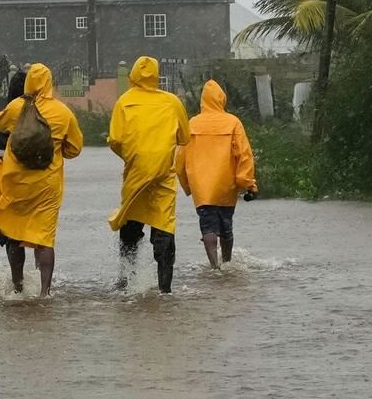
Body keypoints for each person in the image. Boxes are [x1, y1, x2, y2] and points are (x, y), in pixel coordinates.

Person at [0, 63, 84, 297]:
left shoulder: (17, 107)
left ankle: (17, 287)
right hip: (47, 186)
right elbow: (75, 149)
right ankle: (45, 292)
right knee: (44, 238)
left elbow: (0, 125)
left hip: (16, 183)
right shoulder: (63, 112)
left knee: (14, 233)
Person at [107, 57, 192, 294]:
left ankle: (126, 281)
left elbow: (115, 140)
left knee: (131, 223)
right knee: (164, 224)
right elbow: (185, 138)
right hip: (164, 174)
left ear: (133, 75)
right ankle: (165, 287)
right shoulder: (172, 102)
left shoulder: (124, 102)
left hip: (136, 171)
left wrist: (132, 155)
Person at [176, 79, 258, 269]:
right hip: (226, 186)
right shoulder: (233, 122)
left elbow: (179, 160)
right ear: (222, 99)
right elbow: (244, 155)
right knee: (226, 225)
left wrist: (189, 187)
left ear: (202, 101)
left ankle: (214, 266)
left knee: (207, 226)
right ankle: (227, 262)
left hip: (202, 188)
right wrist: (248, 183)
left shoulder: (193, 123)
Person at [0, 69, 26, 245]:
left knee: (11, 236)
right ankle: (44, 273)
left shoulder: (6, 115)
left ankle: (16, 274)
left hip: (9, 180)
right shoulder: (49, 112)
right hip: (40, 180)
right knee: (41, 237)